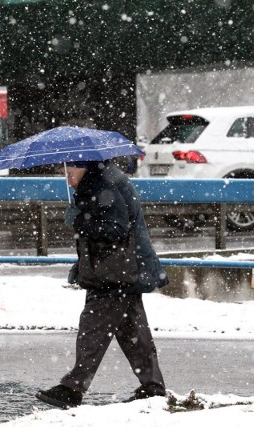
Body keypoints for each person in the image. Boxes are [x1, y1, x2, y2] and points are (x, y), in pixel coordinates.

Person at [36, 159, 169, 409]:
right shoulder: (103, 178)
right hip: (122, 269)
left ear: (82, 166)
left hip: (114, 272)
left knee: (93, 327)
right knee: (132, 330)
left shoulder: (102, 184)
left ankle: (72, 388)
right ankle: (153, 386)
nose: (67, 177)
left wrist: (80, 220)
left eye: (69, 171)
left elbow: (116, 229)